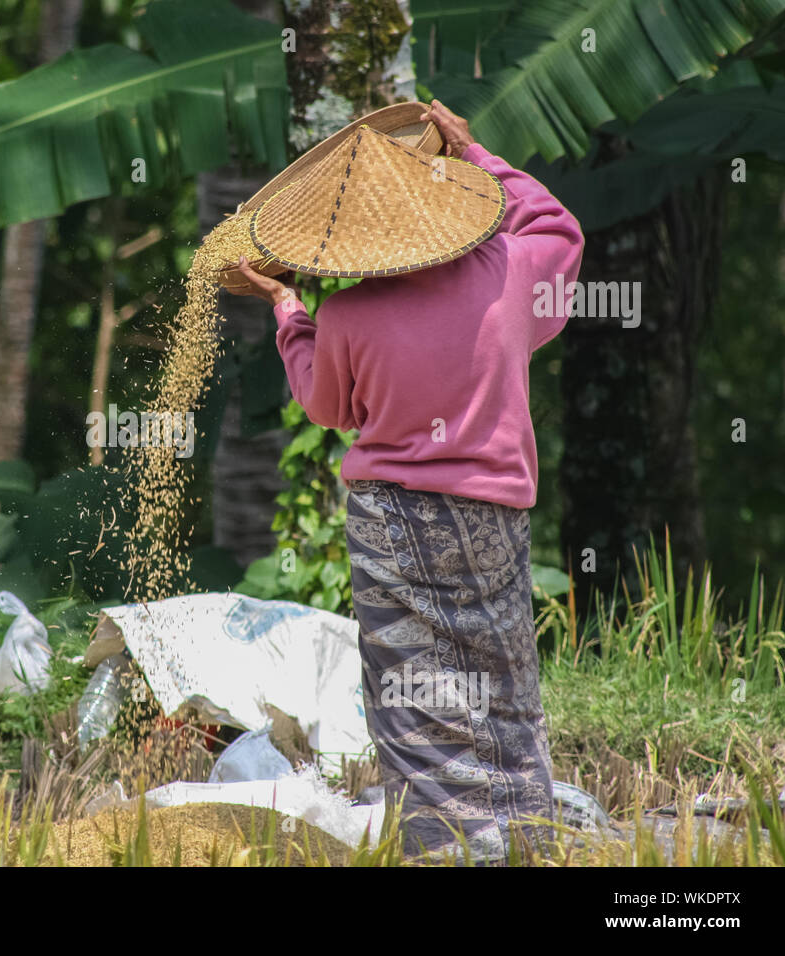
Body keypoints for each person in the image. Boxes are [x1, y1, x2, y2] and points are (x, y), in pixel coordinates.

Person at [229, 100, 585, 863]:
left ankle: (443, 849)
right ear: (445, 199)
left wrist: (287, 307)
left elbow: (325, 405)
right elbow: (559, 229)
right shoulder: (512, 274)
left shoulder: (351, 313)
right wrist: (479, 152)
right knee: (505, 681)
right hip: (495, 512)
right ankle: (524, 843)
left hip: (394, 522)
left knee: (415, 700)